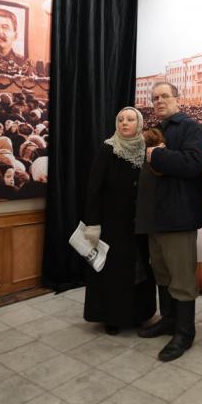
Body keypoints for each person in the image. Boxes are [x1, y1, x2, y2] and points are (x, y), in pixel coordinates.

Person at [135, 82, 202, 362]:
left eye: (165, 96)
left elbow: (194, 164)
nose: (159, 101)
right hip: (155, 217)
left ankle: (185, 333)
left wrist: (157, 154)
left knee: (182, 279)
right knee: (162, 274)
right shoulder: (156, 129)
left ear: (178, 99)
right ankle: (168, 321)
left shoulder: (190, 128)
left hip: (178, 217)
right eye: (155, 98)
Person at [82, 107, 157, 335]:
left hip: (140, 222)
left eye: (130, 119)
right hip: (113, 223)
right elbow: (94, 188)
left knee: (140, 270)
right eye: (121, 119)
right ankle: (112, 317)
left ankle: (138, 314)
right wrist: (93, 222)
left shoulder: (146, 149)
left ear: (139, 123)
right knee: (115, 273)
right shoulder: (108, 148)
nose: (125, 123)